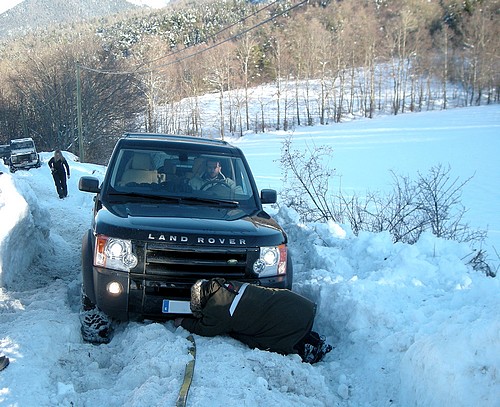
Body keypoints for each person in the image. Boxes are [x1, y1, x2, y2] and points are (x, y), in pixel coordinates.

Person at [175, 278, 332, 364]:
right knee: (273, 321)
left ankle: (309, 350)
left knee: (266, 341)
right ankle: (313, 339)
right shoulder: (228, 286)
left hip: (289, 318)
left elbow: (205, 329)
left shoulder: (218, 307)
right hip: (298, 305)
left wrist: (182, 322)